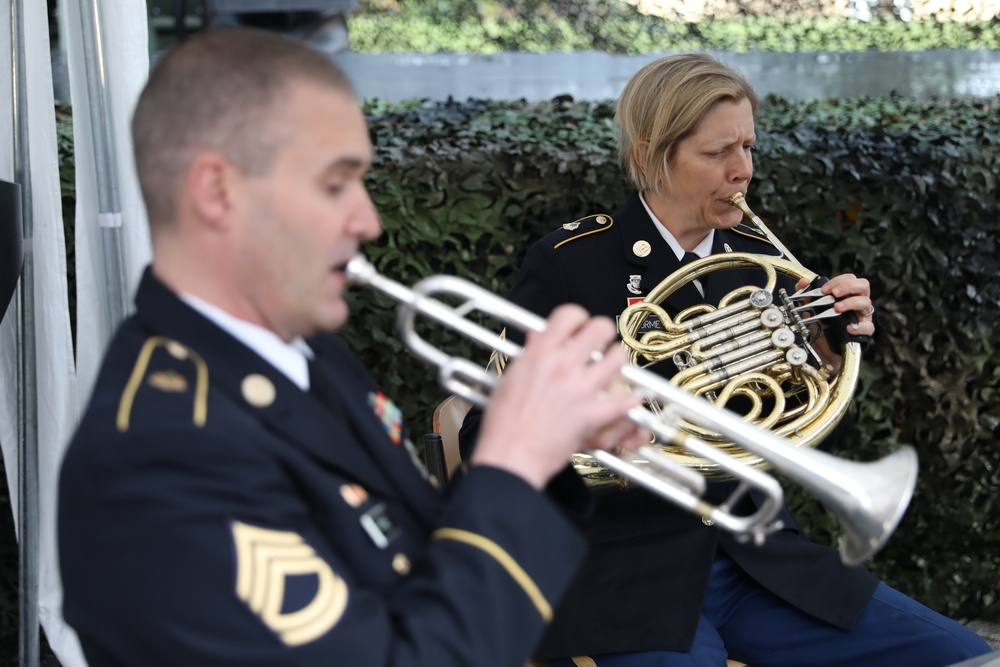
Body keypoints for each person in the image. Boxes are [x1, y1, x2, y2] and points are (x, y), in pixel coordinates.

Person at [57, 28, 651, 667]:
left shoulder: (300, 354)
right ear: (216, 192)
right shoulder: (160, 459)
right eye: (336, 184)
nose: (368, 221)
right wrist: (511, 466)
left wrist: (546, 446)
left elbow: (411, 561)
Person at [460, 53, 992, 667]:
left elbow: (807, 436)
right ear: (648, 157)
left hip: (757, 560)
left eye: (748, 148)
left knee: (964, 656)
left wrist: (822, 357)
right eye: (717, 154)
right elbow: (485, 440)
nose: (742, 172)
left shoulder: (756, 265)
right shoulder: (573, 260)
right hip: (622, 571)